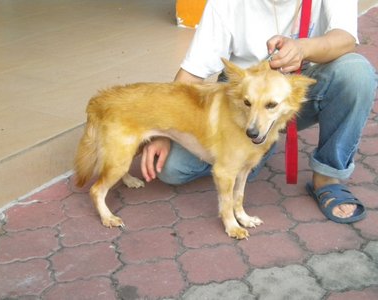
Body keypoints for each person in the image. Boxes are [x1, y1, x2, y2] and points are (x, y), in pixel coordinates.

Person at [141, 0, 377, 223]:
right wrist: (164, 131)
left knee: (356, 73)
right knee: (172, 169)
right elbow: (191, 75)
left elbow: (345, 38)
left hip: (301, 88)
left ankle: (327, 175)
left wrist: (302, 48)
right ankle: (259, 144)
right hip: (242, 102)